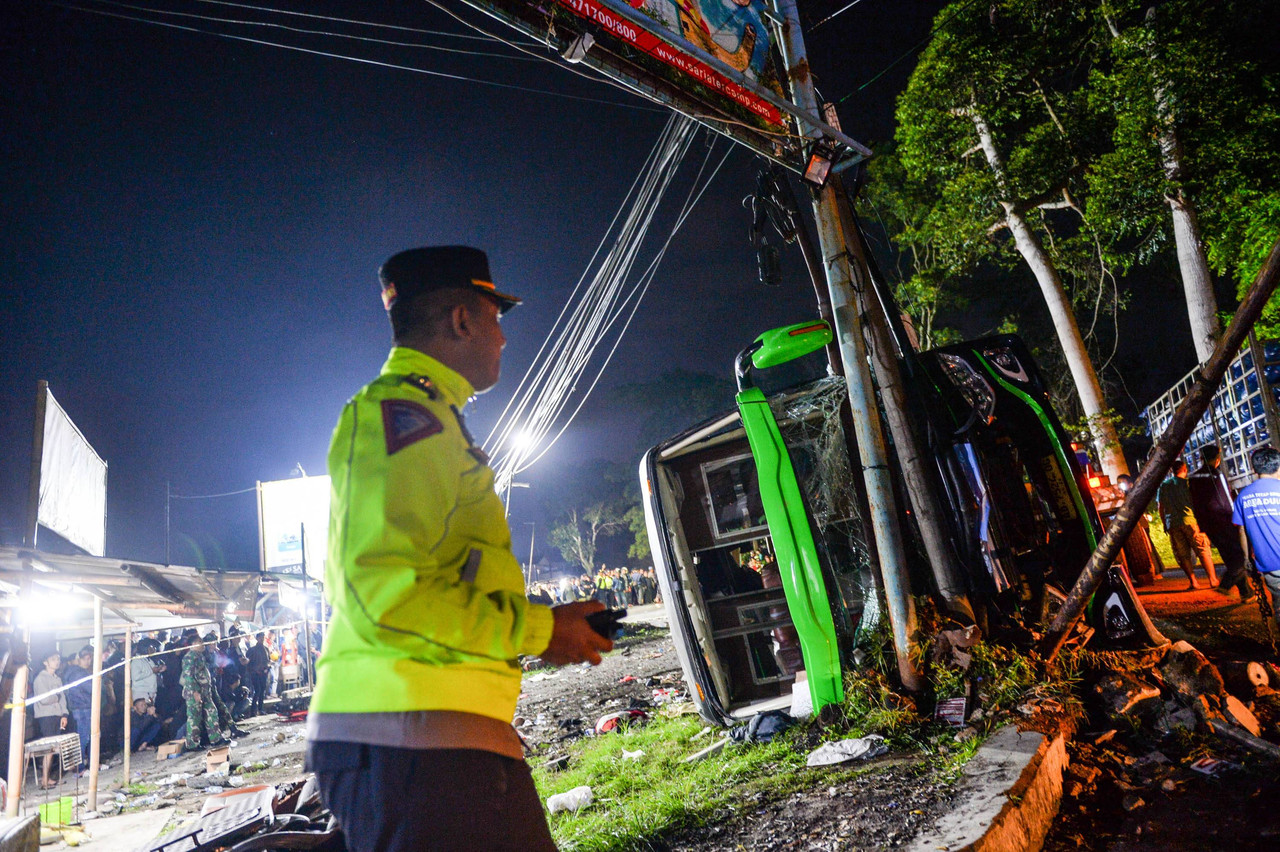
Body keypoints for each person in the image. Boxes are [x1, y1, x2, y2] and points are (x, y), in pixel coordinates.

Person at [306, 245, 612, 852]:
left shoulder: (431, 418)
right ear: (461, 321)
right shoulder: (400, 417)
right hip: (411, 742)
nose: (502, 338)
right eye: (495, 318)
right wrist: (537, 631)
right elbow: (384, 593)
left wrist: (546, 629)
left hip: (438, 741)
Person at [1189, 444, 1253, 598]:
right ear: (1217, 458)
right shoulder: (1217, 475)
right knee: (1240, 554)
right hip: (1224, 520)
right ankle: (1226, 584)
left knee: (1228, 555)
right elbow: (1226, 498)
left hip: (1208, 523)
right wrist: (1236, 518)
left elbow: (1194, 501)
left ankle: (1246, 592)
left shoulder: (1193, 477)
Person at [1233, 446, 1280, 620]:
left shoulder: (1243, 496)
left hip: (1270, 565)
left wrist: (1246, 558)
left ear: (1254, 469)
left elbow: (1242, 530)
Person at [1157, 458, 1219, 589]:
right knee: (1202, 550)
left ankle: (1193, 582)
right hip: (1191, 521)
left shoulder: (1164, 486)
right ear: (1185, 469)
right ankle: (1212, 580)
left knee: (1182, 554)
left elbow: (1160, 507)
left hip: (1173, 523)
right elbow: (1198, 503)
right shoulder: (1189, 484)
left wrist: (1164, 523)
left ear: (1172, 471)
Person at [180, 635, 233, 752]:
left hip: (205, 691)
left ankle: (216, 738)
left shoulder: (200, 656)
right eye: (199, 641)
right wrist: (195, 692)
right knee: (195, 717)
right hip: (194, 693)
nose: (202, 643)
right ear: (193, 644)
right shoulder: (189, 657)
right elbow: (188, 676)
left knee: (211, 712)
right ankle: (192, 744)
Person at [31, 651, 68, 788]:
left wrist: (64, 714)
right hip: (46, 716)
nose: (56, 661)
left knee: (54, 749)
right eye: (53, 659)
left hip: (57, 715)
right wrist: (56, 697)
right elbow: (44, 699)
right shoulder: (41, 678)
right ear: (45, 662)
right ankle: (44, 780)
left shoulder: (57, 678)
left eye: (58, 659)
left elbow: (62, 697)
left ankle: (48, 778)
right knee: (49, 749)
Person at [62, 646, 94, 766]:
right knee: (84, 738)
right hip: (82, 708)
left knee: (89, 736)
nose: (88, 661)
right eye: (85, 659)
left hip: (81, 707)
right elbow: (91, 688)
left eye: (89, 659)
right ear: (78, 659)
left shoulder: (75, 672)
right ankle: (80, 769)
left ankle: (92, 764)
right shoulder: (78, 673)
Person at [245, 633, 271, 717]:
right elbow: (248, 662)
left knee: (262, 690)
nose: (262, 639)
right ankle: (254, 710)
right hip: (255, 673)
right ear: (257, 638)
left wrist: (267, 668)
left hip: (263, 673)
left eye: (263, 637)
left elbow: (268, 661)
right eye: (260, 637)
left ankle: (260, 708)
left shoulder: (266, 649)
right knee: (258, 690)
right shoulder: (252, 650)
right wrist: (254, 671)